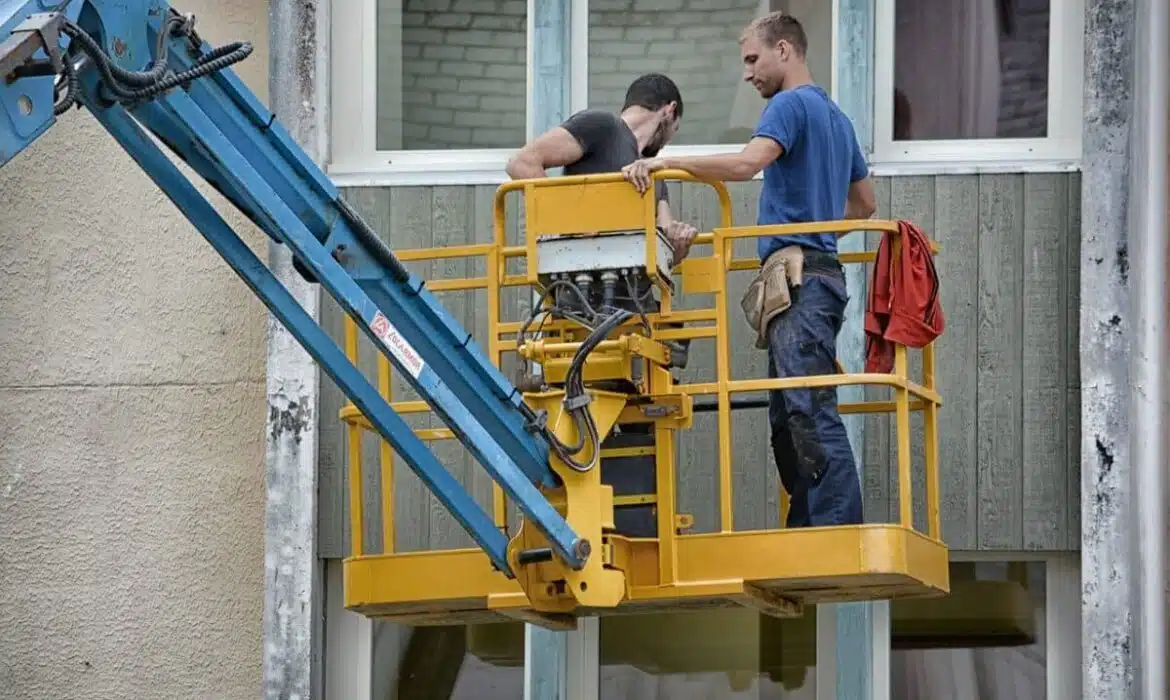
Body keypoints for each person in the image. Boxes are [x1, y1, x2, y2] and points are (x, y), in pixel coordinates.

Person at [621, 12, 876, 528]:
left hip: (800, 279)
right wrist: (816, 234)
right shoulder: (836, 117)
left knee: (804, 406)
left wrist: (666, 165)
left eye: (753, 59)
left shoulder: (789, 105)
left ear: (785, 51)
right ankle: (811, 525)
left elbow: (745, 165)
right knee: (790, 412)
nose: (747, 73)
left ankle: (832, 530)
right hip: (817, 274)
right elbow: (865, 205)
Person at [505, 73, 699, 264]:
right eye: (675, 129)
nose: (668, 141)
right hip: (580, 286)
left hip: (634, 292)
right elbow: (522, 163)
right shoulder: (604, 126)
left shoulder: (655, 174)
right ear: (669, 111)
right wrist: (571, 223)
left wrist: (680, 246)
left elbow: (666, 241)